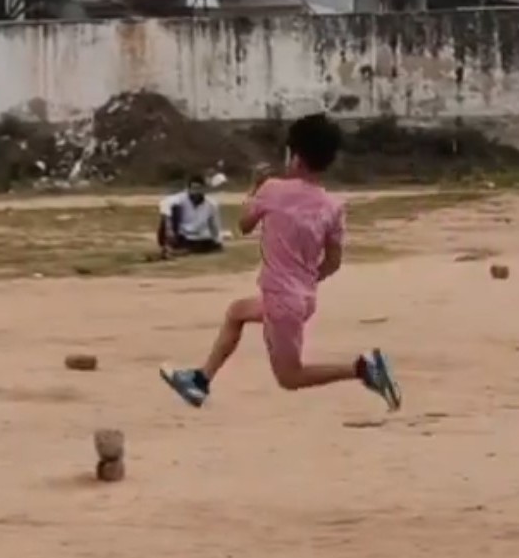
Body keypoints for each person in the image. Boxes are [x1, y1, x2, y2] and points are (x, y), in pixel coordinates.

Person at [159, 114, 401, 411]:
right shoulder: (332, 206)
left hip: (281, 299)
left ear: (295, 156)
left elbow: (245, 224)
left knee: (290, 377)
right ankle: (200, 381)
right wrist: (303, 282)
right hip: (304, 298)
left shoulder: (272, 189)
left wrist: (254, 188)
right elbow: (333, 263)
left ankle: (363, 368)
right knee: (236, 312)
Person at [157, 175, 223, 257]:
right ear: (188, 189)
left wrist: (218, 241)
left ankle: (178, 251)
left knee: (208, 245)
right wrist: (169, 228)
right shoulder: (181, 198)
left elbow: (214, 225)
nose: (196, 191)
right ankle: (169, 245)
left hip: (199, 237)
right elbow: (164, 204)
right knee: (173, 209)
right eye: (193, 189)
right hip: (182, 235)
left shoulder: (211, 204)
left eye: (199, 189)